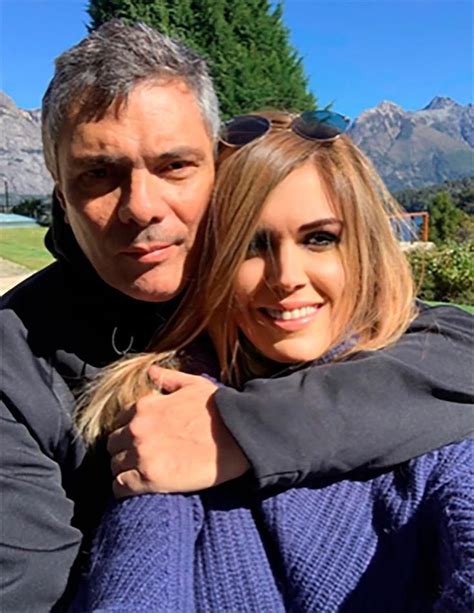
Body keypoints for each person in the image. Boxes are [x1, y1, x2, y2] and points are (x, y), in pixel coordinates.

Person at [0, 20, 472, 612]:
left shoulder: (288, 311)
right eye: (100, 174)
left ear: (219, 174)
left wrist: (242, 430)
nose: (143, 207)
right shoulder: (14, 361)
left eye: (175, 166)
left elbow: (452, 348)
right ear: (60, 195)